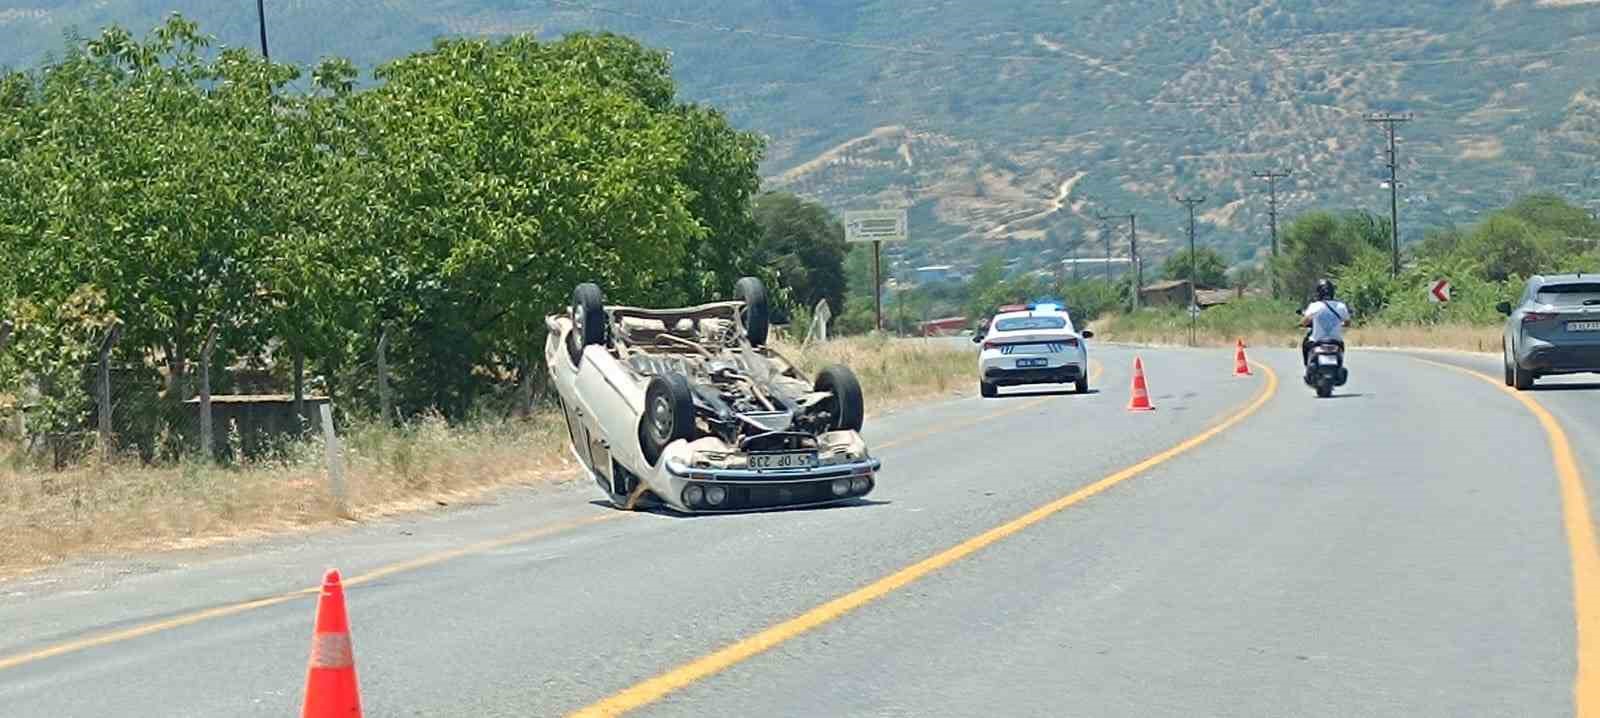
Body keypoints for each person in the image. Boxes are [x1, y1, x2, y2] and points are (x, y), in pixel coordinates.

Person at [1299, 278, 1350, 366]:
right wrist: (1341, 324)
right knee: (1342, 347)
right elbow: (1347, 323)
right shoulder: (1341, 306)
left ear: (1318, 292)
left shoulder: (1315, 306)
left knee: (1305, 343)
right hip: (1336, 342)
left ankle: (1307, 366)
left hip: (1317, 341)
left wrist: (1304, 323)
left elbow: (1304, 322)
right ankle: (1339, 365)